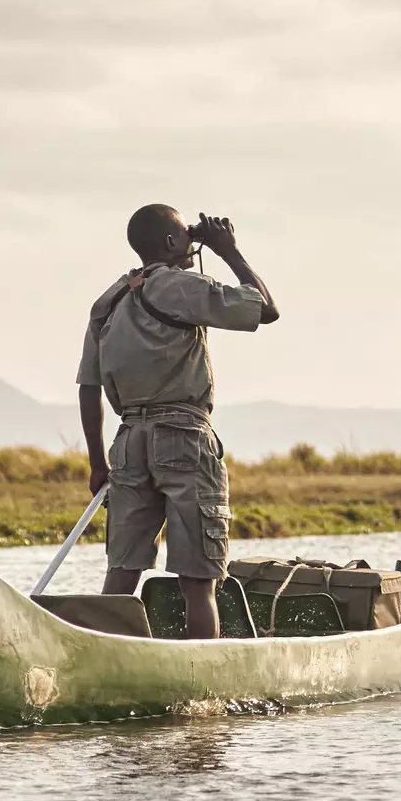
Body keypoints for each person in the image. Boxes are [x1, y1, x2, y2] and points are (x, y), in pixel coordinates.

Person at [76, 204, 279, 639]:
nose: (192, 246)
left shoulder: (109, 300)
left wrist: (97, 465)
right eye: (185, 238)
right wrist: (229, 250)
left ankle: (112, 662)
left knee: (122, 571)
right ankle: (200, 691)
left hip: (127, 441)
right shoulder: (178, 286)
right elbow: (265, 308)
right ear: (170, 244)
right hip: (184, 438)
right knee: (198, 580)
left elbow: (88, 388)